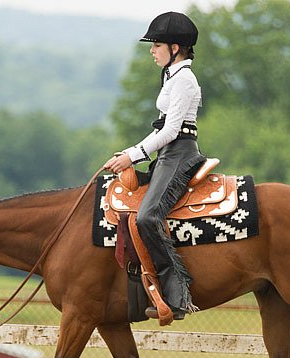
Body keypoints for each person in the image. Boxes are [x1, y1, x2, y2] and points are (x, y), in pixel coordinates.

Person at [104, 11, 206, 320]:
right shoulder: (172, 76)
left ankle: (175, 293)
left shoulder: (185, 80)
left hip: (179, 155)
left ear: (175, 47)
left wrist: (133, 156)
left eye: (157, 44)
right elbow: (161, 130)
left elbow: (171, 131)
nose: (152, 50)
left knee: (148, 217)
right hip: (167, 155)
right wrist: (130, 152)